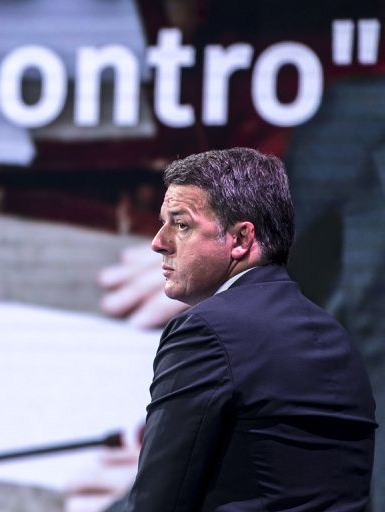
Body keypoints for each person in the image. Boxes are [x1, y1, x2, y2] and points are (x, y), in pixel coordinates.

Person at [108, 148, 377, 511]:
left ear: (240, 239)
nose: (159, 242)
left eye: (181, 224)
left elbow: (158, 500)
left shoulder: (206, 333)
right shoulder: (336, 338)